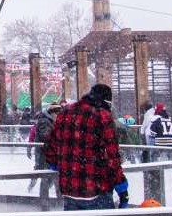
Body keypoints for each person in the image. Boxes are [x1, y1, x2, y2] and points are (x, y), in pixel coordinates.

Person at [43, 83, 124, 211]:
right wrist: (121, 185)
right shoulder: (103, 116)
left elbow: (50, 145)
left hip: (69, 190)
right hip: (97, 189)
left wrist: (57, 164)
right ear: (106, 101)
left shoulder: (65, 113)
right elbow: (111, 156)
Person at [28, 102, 60, 198]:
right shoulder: (44, 121)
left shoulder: (51, 121)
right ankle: (44, 201)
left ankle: (57, 200)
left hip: (51, 154)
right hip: (44, 155)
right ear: (52, 113)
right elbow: (46, 136)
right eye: (57, 113)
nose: (58, 116)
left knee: (53, 177)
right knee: (46, 177)